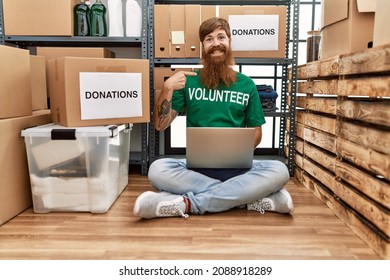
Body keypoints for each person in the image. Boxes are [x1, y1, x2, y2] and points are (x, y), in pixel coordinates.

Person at [133, 17, 293, 219]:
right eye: (209, 39)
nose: (215, 43)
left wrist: (235, 151)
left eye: (221, 37)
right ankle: (245, 198)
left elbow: (257, 133)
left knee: (280, 170)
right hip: (196, 170)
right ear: (203, 46)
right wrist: (167, 88)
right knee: (157, 169)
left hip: (237, 169)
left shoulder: (247, 84)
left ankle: (189, 203)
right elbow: (160, 125)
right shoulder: (188, 82)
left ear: (229, 42)